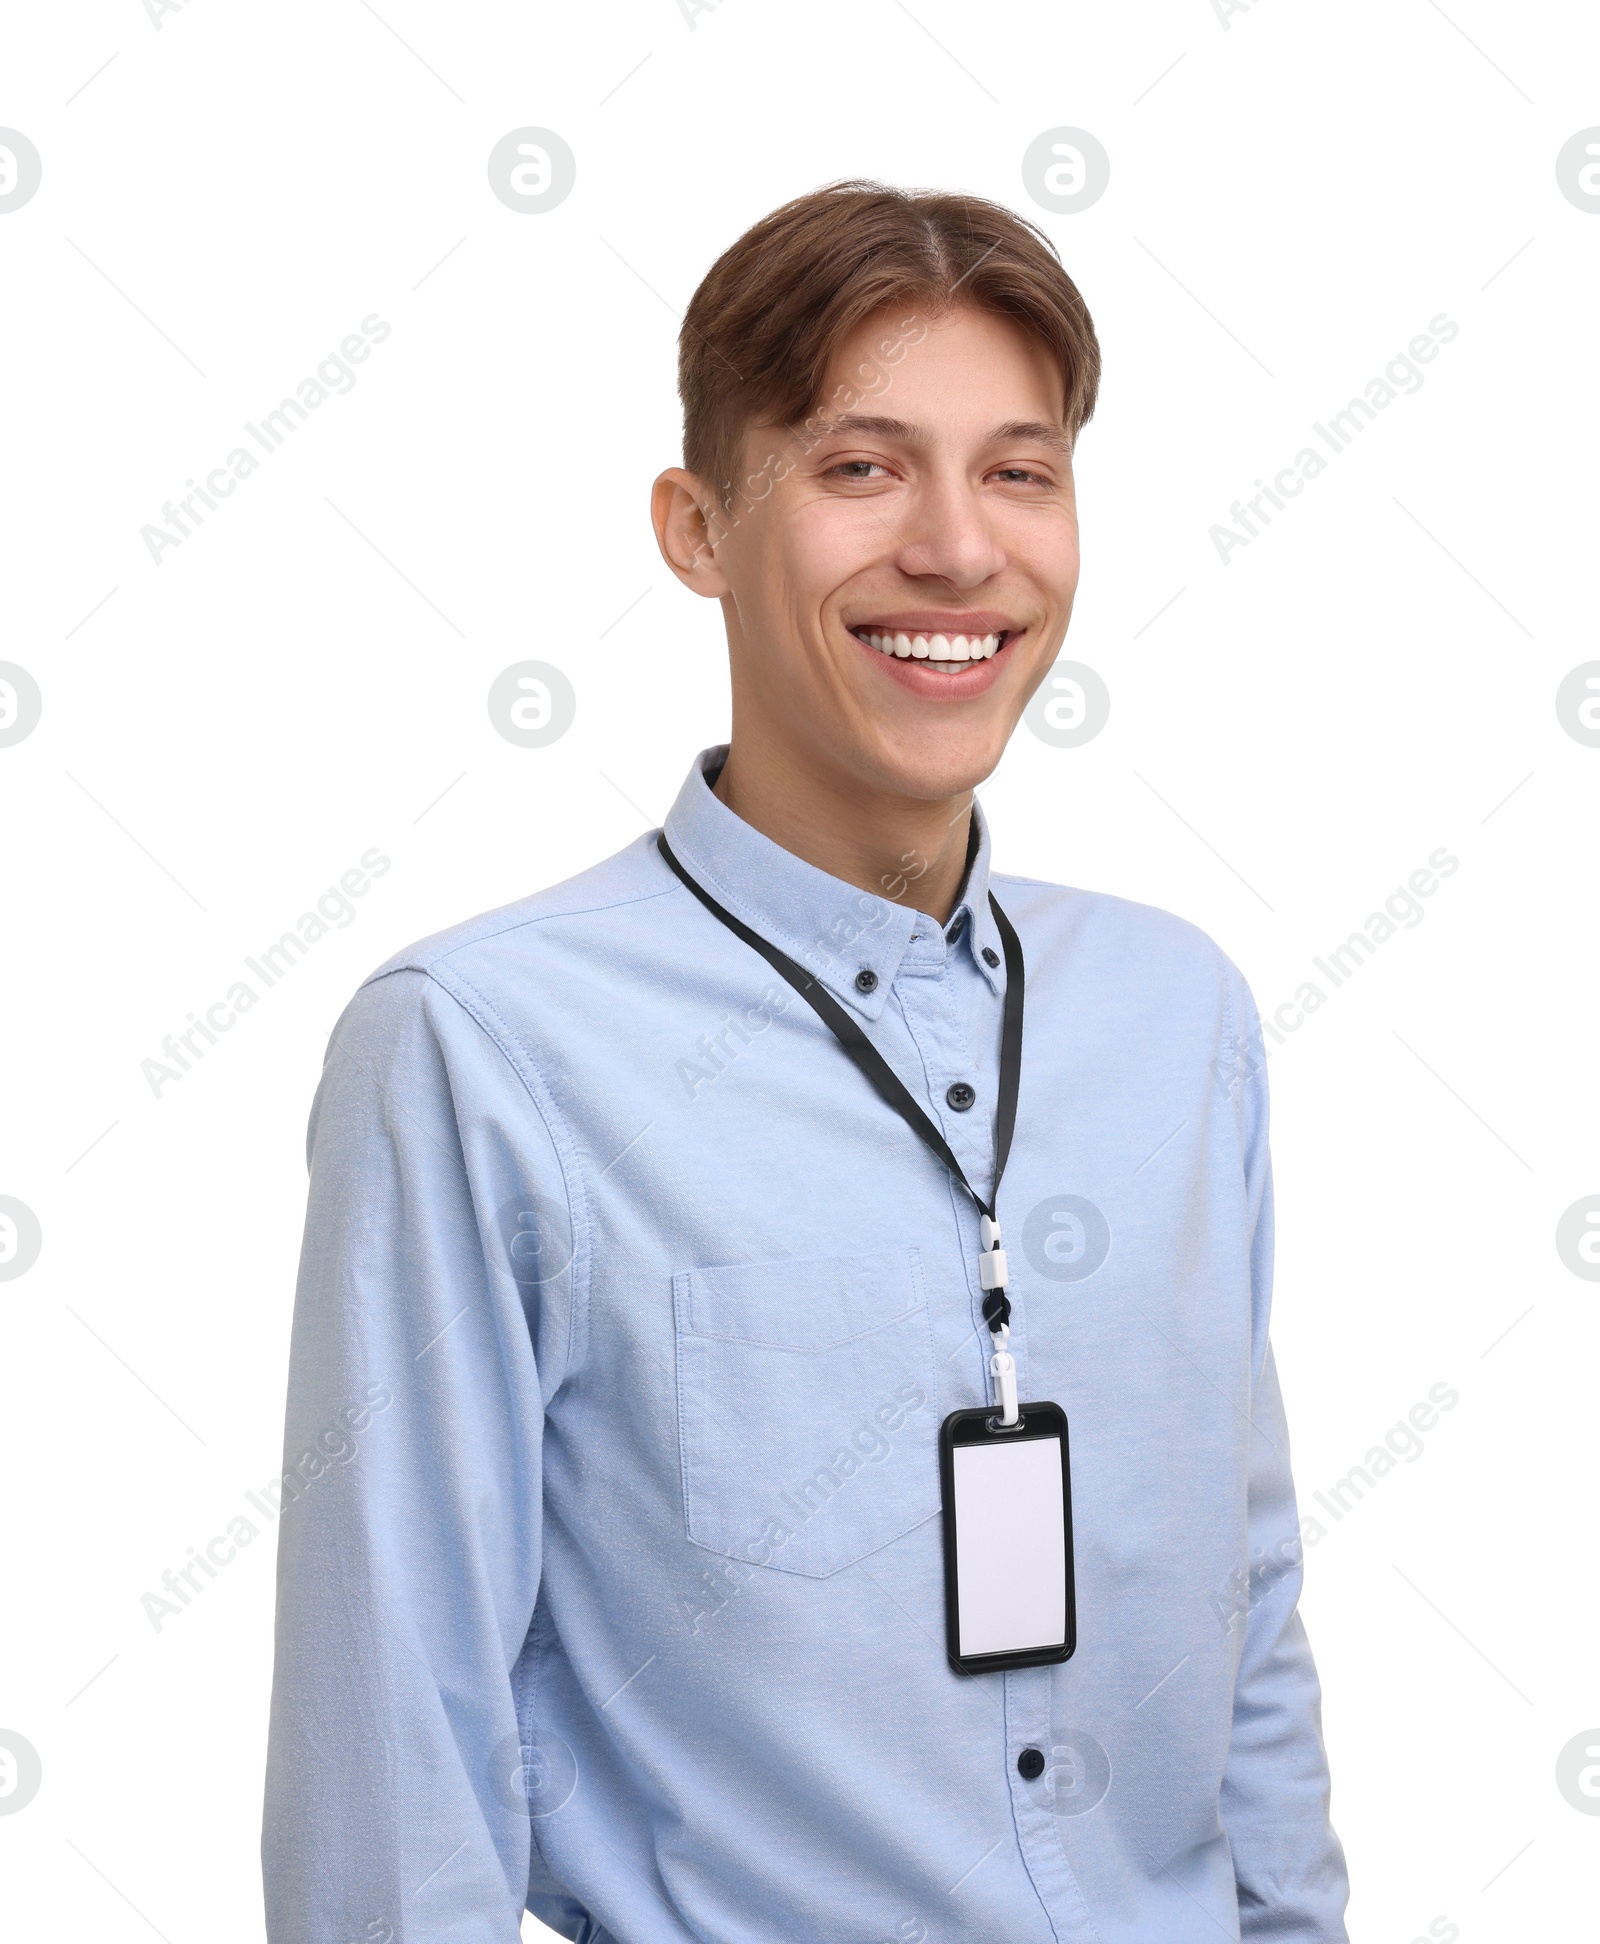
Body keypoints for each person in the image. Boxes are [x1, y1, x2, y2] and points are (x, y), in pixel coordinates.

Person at [263, 181, 1349, 1943]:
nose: (956, 549)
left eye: (1020, 470)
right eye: (861, 467)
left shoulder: (1179, 1015)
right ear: (699, 527)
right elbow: (392, 1770)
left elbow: (1253, 1626)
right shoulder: (481, 1050)